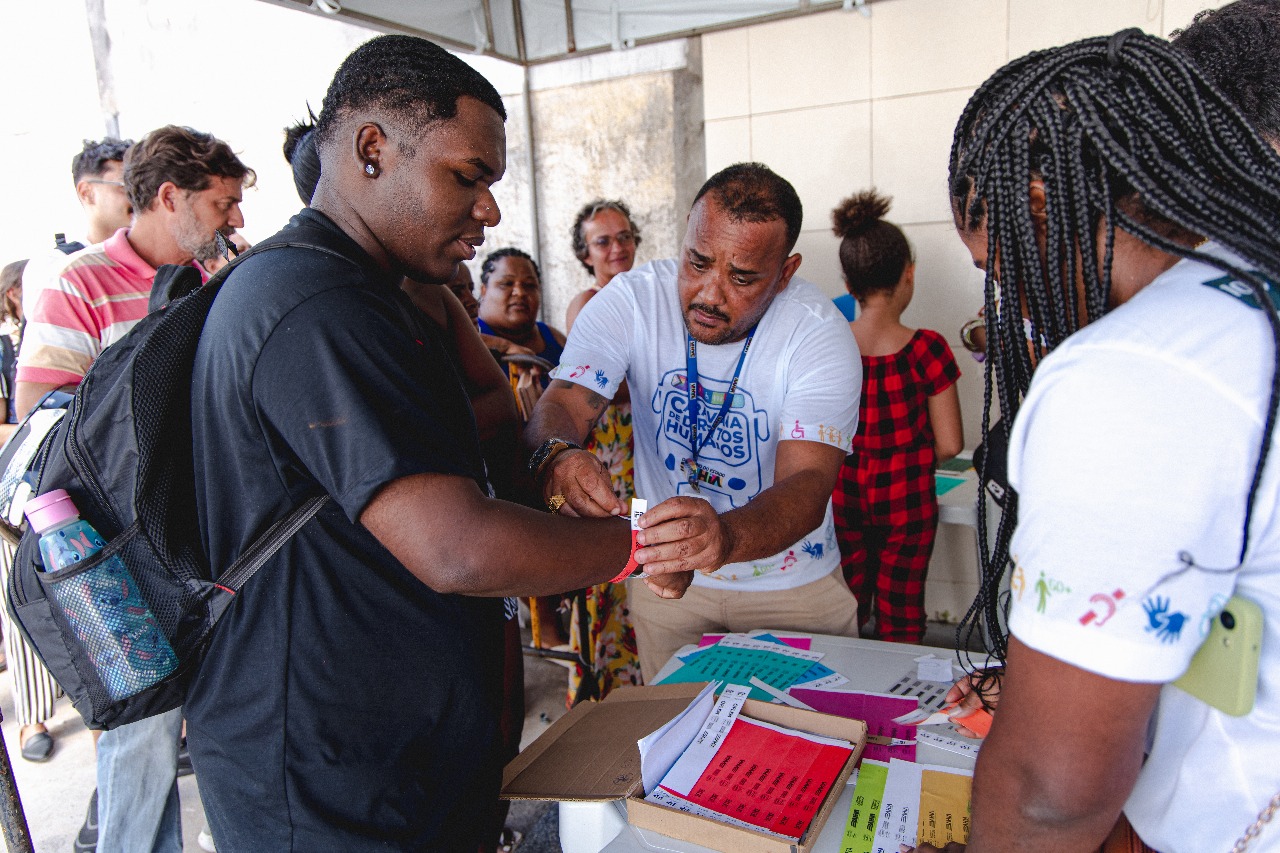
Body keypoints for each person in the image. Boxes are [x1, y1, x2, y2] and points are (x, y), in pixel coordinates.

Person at [184, 34, 690, 853]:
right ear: (372, 149)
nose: (489, 210)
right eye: (468, 177)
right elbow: (457, 547)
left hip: (408, 744)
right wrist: (635, 547)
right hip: (324, 777)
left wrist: (550, 462)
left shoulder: (386, 291)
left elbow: (489, 424)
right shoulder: (307, 305)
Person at [907, 29, 1280, 853]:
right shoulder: (1252, 292)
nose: (1016, 309)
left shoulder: (1132, 369)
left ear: (1043, 210)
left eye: (1003, 271)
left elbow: (1047, 794)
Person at [525, 162, 862, 679]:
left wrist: (722, 538)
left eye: (743, 277)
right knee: (676, 742)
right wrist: (556, 456)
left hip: (795, 590)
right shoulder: (633, 300)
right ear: (685, 231)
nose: (709, 293)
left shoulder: (817, 332)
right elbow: (566, 400)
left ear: (786, 271)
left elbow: (807, 482)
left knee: (820, 744)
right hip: (668, 589)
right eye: (698, 262)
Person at [17, 124, 254, 853]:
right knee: (143, 731)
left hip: (215, 534)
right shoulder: (79, 281)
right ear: (169, 197)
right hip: (122, 554)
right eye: (223, 203)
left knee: (231, 712)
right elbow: (41, 413)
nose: (237, 220)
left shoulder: (219, 281)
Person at [829, 189, 962, 644]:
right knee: (901, 616)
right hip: (907, 498)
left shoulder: (830, 346)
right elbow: (950, 444)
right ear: (908, 275)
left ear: (849, 285)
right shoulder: (928, 349)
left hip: (842, 493)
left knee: (844, 608)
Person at [561, 199, 645, 702]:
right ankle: (609, 696)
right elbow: (602, 384)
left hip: (647, 453)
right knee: (612, 566)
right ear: (585, 254)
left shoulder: (653, 296)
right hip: (611, 461)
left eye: (624, 236)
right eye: (603, 241)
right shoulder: (586, 304)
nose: (617, 248)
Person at [22, 138, 136, 321]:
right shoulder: (53, 267)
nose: (138, 197)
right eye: (125, 187)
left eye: (141, 186)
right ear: (87, 193)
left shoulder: (158, 261)